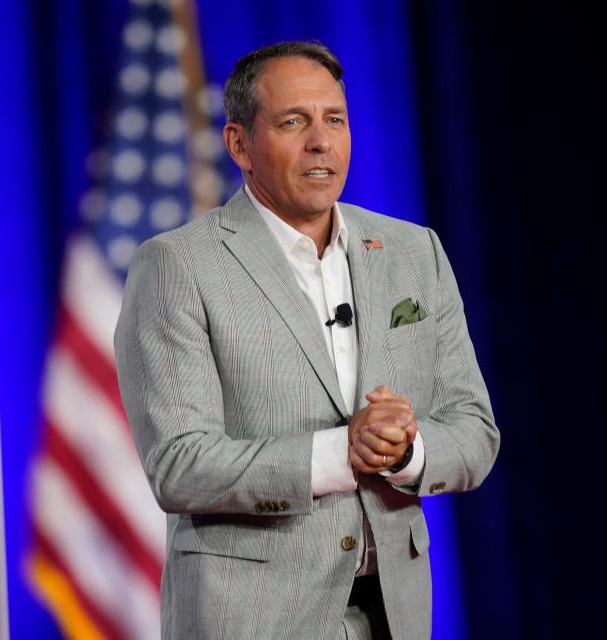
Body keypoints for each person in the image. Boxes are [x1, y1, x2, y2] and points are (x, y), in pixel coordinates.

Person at [115, 40, 499, 640]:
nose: (322, 141)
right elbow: (178, 464)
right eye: (293, 122)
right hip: (252, 618)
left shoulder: (413, 254)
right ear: (239, 145)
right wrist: (340, 452)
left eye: (335, 120)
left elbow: (475, 429)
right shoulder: (178, 266)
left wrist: (405, 452)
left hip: (393, 615)